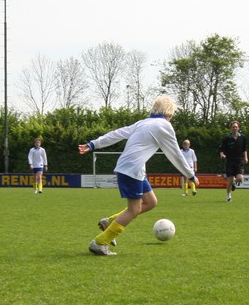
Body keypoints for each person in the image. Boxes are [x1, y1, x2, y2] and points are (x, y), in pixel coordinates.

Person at [78, 95, 196, 256]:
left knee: (151, 202)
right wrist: (190, 175)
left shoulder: (143, 122)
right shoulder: (164, 125)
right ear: (169, 112)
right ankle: (100, 242)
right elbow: (175, 154)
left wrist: (93, 144)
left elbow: (117, 133)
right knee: (133, 210)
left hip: (134, 170)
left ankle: (109, 222)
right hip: (132, 170)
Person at [219, 120, 248, 202]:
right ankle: (228, 195)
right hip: (230, 161)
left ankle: (234, 183)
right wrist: (222, 154)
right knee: (230, 179)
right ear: (231, 128)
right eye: (233, 127)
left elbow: (244, 149)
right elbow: (221, 149)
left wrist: (246, 157)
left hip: (239, 161)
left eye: (236, 127)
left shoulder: (242, 137)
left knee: (240, 179)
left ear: (238, 128)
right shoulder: (227, 138)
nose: (235, 128)